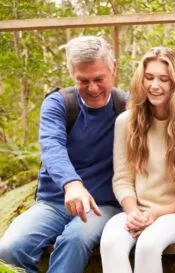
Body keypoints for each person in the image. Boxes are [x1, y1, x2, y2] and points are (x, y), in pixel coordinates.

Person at [0, 36, 124, 273]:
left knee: (74, 240)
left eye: (99, 79)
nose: (93, 88)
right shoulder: (59, 104)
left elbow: (174, 104)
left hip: (102, 205)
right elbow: (52, 145)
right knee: (9, 249)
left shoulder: (125, 105)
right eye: (83, 81)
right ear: (72, 75)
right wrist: (71, 184)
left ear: (113, 68)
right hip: (54, 202)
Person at [99, 47, 175, 273]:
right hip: (136, 211)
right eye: (149, 78)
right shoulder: (126, 122)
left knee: (148, 245)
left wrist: (153, 215)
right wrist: (133, 213)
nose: (154, 86)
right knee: (111, 242)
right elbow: (122, 179)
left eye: (164, 79)